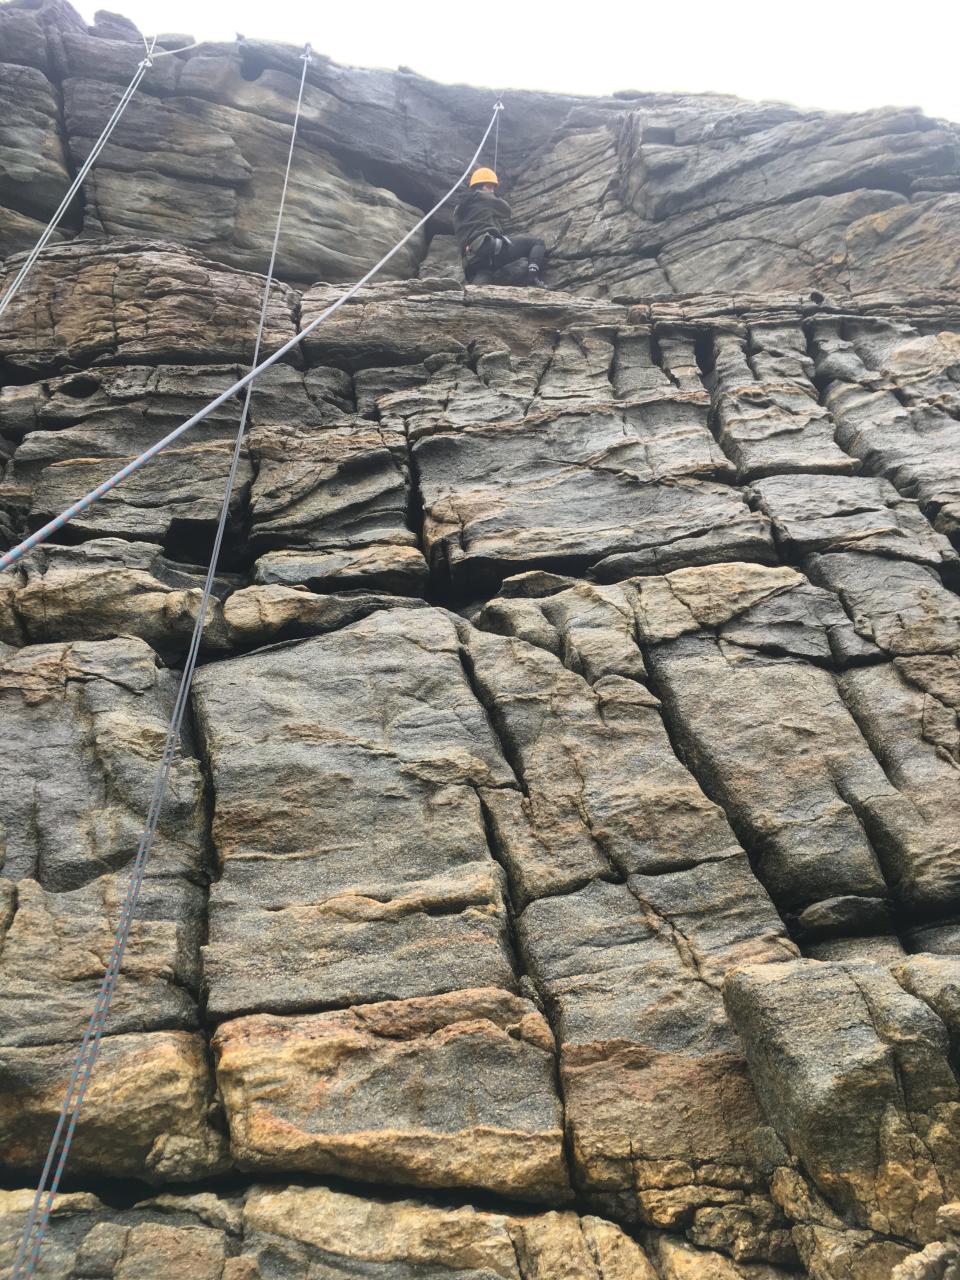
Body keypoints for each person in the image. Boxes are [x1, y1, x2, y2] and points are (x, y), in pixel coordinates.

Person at [453, 168, 547, 286]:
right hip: (487, 247)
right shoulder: (484, 197)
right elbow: (506, 210)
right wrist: (494, 197)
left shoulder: (458, 209)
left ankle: (473, 298)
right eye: (489, 186)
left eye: (493, 188)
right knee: (537, 243)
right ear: (480, 186)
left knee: (483, 278)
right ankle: (533, 279)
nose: (491, 190)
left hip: (470, 260)